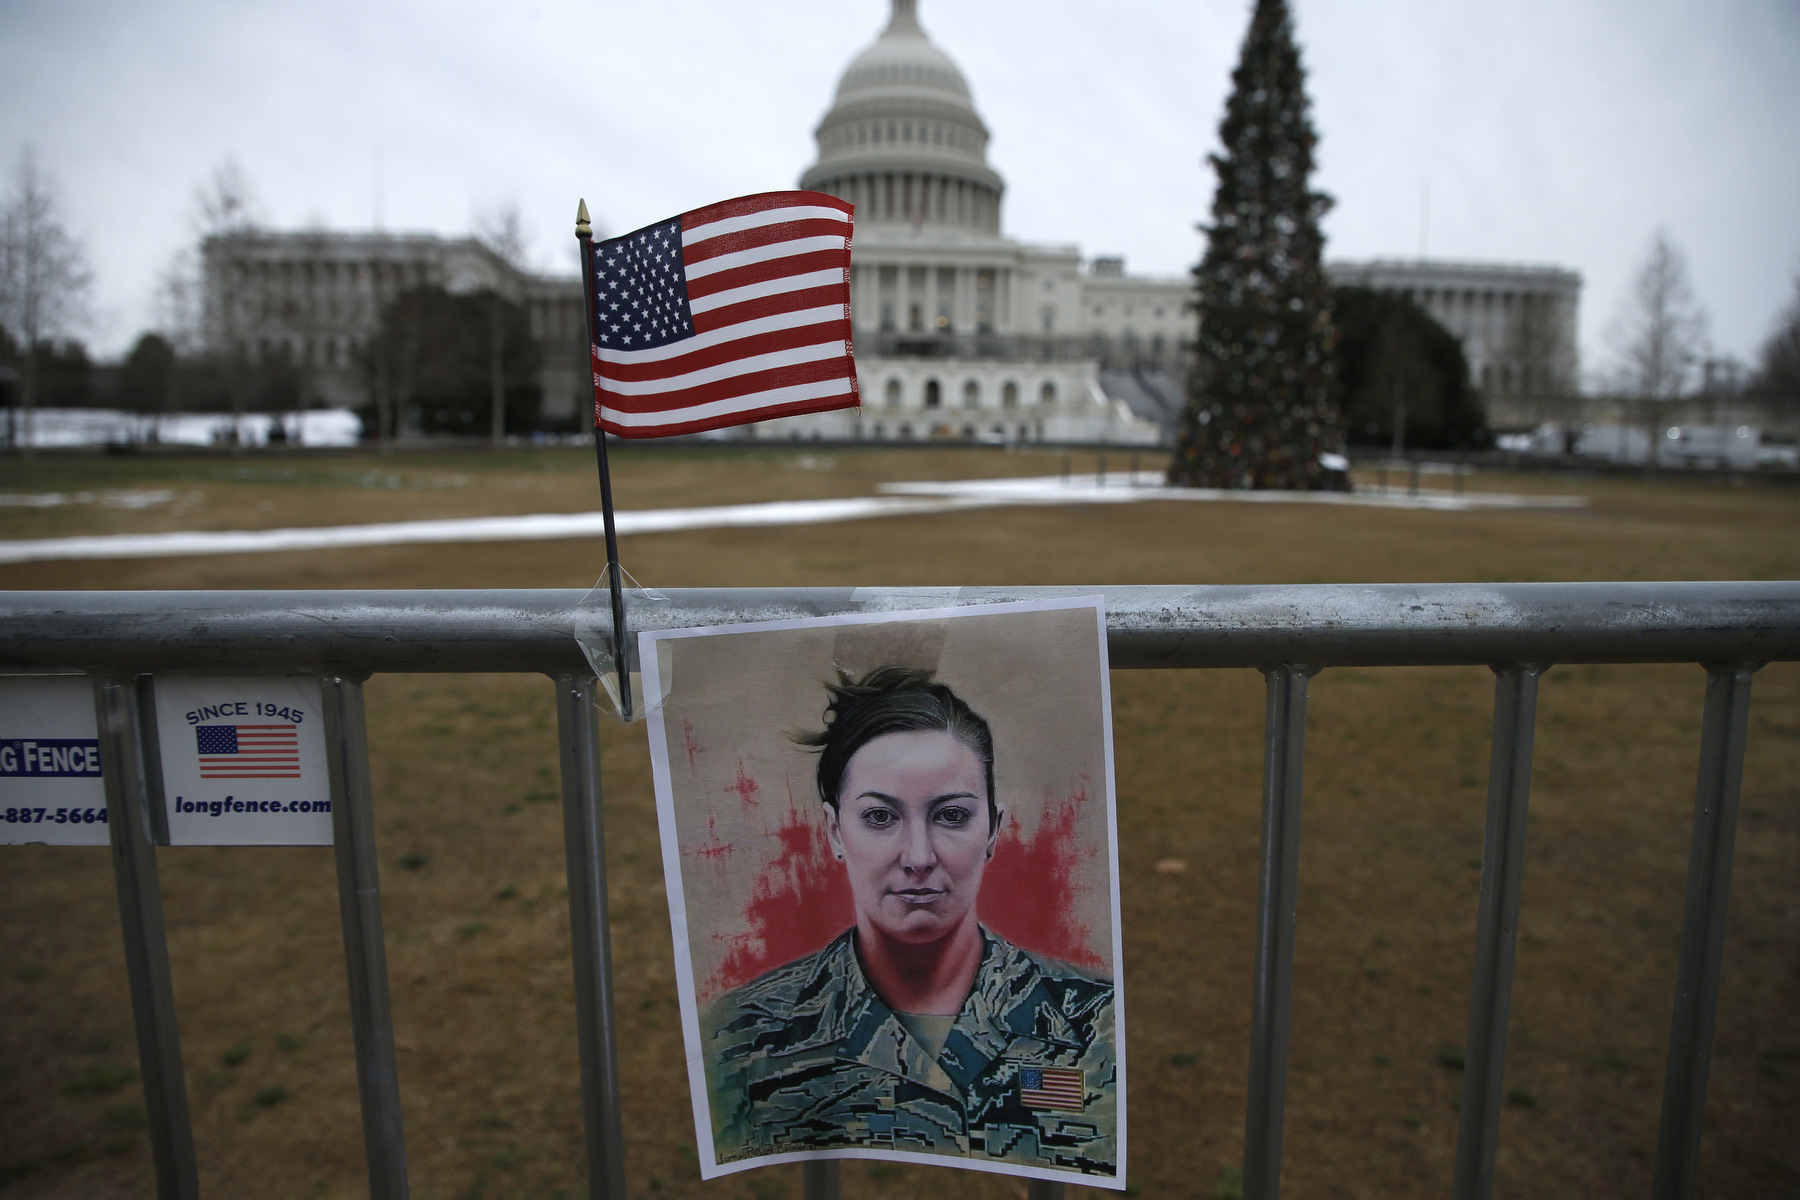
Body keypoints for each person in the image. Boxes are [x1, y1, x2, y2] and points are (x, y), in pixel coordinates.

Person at [701, 666, 1117, 1176]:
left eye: (952, 815)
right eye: (880, 816)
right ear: (833, 832)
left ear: (994, 829)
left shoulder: (1097, 1023)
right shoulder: (739, 1032)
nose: (918, 856)